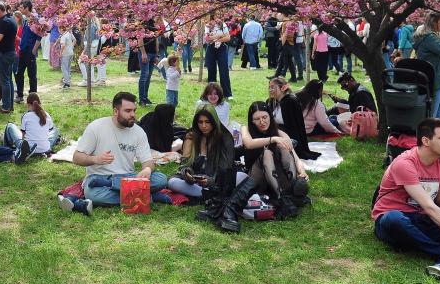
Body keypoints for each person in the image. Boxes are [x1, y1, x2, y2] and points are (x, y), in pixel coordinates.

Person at [372, 118, 440, 284]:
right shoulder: (405, 163)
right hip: (394, 221)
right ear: (426, 141)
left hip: (423, 221)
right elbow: (429, 207)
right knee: (395, 219)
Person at [70, 92, 168, 209]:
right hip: (99, 178)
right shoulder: (96, 127)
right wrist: (95, 159)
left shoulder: (138, 132)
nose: (133, 115)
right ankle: (149, 196)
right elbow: (76, 158)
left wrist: (147, 169)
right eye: (128, 111)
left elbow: (148, 161)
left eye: (134, 111)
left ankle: (114, 185)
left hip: (129, 177)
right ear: (115, 111)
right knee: (93, 194)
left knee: (161, 179)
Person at [169, 105, 254, 233]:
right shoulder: (192, 136)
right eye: (200, 122)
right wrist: (187, 173)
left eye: (207, 122)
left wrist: (211, 181)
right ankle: (208, 196)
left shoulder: (225, 138)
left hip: (218, 180)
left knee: (243, 178)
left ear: (214, 121)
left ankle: (212, 197)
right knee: (172, 182)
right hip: (197, 181)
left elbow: (226, 170)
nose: (203, 126)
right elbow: (185, 163)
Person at [241, 101, 309, 218]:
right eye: (257, 119)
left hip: (278, 176)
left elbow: (295, 157)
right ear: (252, 121)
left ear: (270, 116)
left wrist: (302, 171)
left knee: (284, 147)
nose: (262, 121)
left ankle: (291, 189)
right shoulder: (245, 129)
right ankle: (281, 198)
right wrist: (273, 139)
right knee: (267, 153)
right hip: (257, 177)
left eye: (264, 117)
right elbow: (249, 144)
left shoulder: (280, 133)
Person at [267, 77, 320, 160]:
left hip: (288, 134)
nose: (270, 90)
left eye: (273, 87)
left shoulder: (290, 101)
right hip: (274, 131)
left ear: (282, 88)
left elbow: (294, 126)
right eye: (269, 87)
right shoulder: (270, 102)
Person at [15, 0, 42, 103]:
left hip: (30, 51)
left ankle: (33, 97)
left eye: (21, 7)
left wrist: (34, 50)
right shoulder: (25, 19)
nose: (20, 9)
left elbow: (39, 35)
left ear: (27, 8)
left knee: (32, 74)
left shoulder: (35, 19)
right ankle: (20, 95)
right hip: (22, 50)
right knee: (19, 73)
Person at [204, 15, 232, 99]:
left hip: (222, 48)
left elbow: (228, 38)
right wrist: (220, 36)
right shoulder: (207, 26)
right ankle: (210, 93)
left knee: (224, 71)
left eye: (216, 18)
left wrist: (217, 38)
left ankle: (227, 94)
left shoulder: (223, 25)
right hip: (211, 48)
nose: (214, 20)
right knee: (211, 70)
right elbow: (208, 39)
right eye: (212, 19)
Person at [138, 18, 159, 106]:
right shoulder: (141, 23)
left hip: (153, 53)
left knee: (148, 76)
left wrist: (157, 54)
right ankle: (142, 99)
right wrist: (143, 53)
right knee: (144, 75)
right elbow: (140, 39)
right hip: (145, 53)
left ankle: (145, 97)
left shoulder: (154, 24)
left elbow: (157, 39)